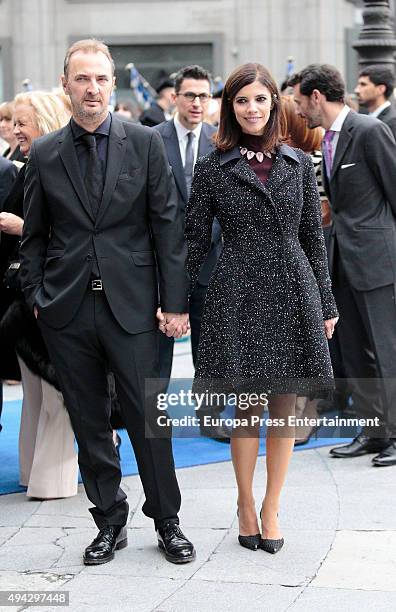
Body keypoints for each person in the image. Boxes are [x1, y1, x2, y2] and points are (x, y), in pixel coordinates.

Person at [19, 38, 195, 565]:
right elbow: (34, 236)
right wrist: (37, 298)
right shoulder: (45, 152)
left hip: (137, 309)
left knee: (149, 418)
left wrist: (176, 302)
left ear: (111, 83)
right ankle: (108, 520)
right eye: (82, 79)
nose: (92, 88)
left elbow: (168, 227)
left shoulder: (144, 143)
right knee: (89, 421)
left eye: (100, 79)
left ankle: (167, 521)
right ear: (66, 84)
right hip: (67, 312)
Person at [185, 63, 338, 553]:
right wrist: (177, 302)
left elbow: (314, 240)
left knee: (286, 406)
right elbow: (192, 242)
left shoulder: (297, 163)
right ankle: (246, 503)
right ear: (230, 107)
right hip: (239, 291)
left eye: (260, 99)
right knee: (247, 406)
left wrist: (327, 303)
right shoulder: (212, 167)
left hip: (293, 290)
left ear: (274, 103)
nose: (252, 109)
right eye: (241, 100)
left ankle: (272, 505)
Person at [291, 64, 396, 467]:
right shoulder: (327, 139)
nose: (299, 110)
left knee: (386, 352)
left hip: (376, 261)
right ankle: (373, 431)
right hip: (342, 262)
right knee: (354, 352)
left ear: (317, 96)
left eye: (301, 101)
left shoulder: (369, 131)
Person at [0, 90, 78, 498]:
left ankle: (51, 480)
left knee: (55, 394)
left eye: (22, 122)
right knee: (35, 394)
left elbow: (70, 228)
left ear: (43, 121)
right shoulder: (26, 166)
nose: (14, 129)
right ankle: (34, 473)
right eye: (12, 122)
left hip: (54, 292)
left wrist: (20, 225)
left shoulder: (55, 166)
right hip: (24, 295)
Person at [155, 65, 221, 380]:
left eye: (203, 96)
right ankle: (152, 417)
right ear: (174, 97)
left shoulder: (221, 141)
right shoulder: (152, 139)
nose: (197, 103)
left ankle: (209, 413)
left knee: (209, 347)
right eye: (190, 95)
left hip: (210, 259)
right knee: (157, 345)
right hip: (161, 260)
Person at [355, 65, 396, 138]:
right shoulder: (363, 115)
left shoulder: (392, 122)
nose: (357, 90)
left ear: (381, 89)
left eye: (363, 85)